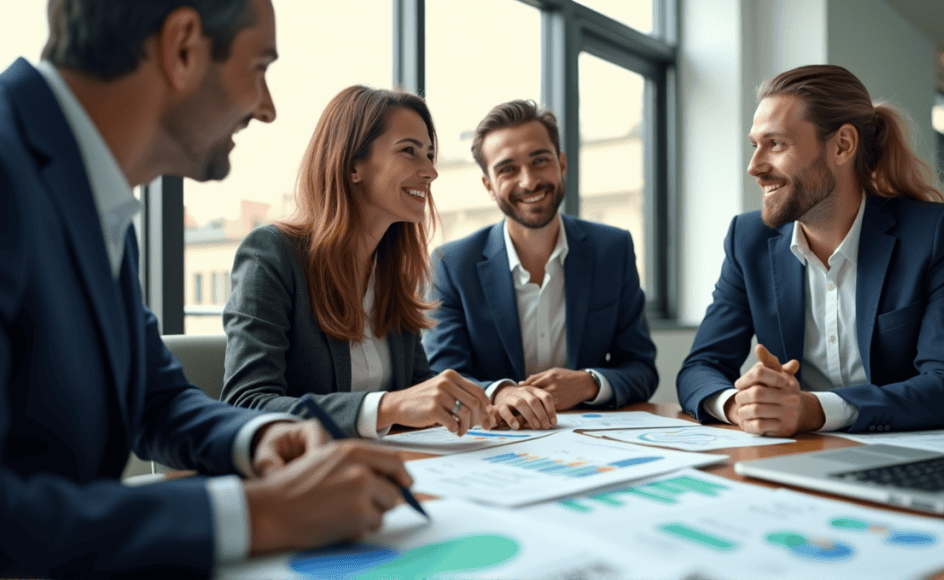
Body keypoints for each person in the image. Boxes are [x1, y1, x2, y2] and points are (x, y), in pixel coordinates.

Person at [0, 1, 413, 577]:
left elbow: (156, 397)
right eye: (260, 66)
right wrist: (255, 513)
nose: (266, 109)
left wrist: (262, 435)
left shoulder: (101, 201)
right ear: (184, 48)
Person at [676, 64, 944, 437]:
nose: (754, 167)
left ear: (842, 145)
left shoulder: (935, 234)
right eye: (755, 145)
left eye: (776, 144)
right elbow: (699, 368)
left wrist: (813, 410)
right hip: (807, 454)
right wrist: (738, 405)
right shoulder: (748, 239)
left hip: (925, 450)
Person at [221, 85, 494, 439]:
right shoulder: (272, 255)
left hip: (387, 467)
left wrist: (494, 395)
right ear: (352, 166)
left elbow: (420, 388)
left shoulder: (392, 270)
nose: (430, 171)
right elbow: (247, 403)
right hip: (303, 477)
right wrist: (387, 407)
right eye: (409, 151)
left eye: (429, 155)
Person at [423, 100, 658, 431]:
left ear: (561, 163)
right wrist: (499, 392)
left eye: (540, 161)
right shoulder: (453, 264)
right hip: (495, 440)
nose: (529, 181)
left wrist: (590, 383)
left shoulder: (612, 249)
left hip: (590, 439)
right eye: (507, 169)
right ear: (488, 185)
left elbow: (641, 369)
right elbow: (442, 372)